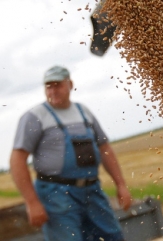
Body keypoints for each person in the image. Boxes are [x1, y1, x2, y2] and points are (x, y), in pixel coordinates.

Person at [10, 66, 132, 241]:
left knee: (112, 236)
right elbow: (17, 159)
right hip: (56, 195)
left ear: (70, 84)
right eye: (48, 86)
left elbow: (104, 148)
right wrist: (32, 202)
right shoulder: (35, 117)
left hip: (92, 190)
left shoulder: (84, 112)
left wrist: (120, 185)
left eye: (57, 85)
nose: (53, 91)